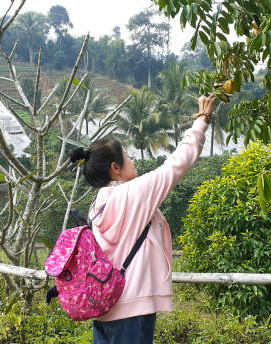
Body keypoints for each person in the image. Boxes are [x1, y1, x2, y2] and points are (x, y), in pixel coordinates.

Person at [67, 94, 217, 344]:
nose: (132, 160)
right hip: (131, 305)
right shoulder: (135, 194)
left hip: (103, 304)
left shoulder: (99, 202)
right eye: (127, 155)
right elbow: (178, 164)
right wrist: (202, 119)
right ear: (115, 167)